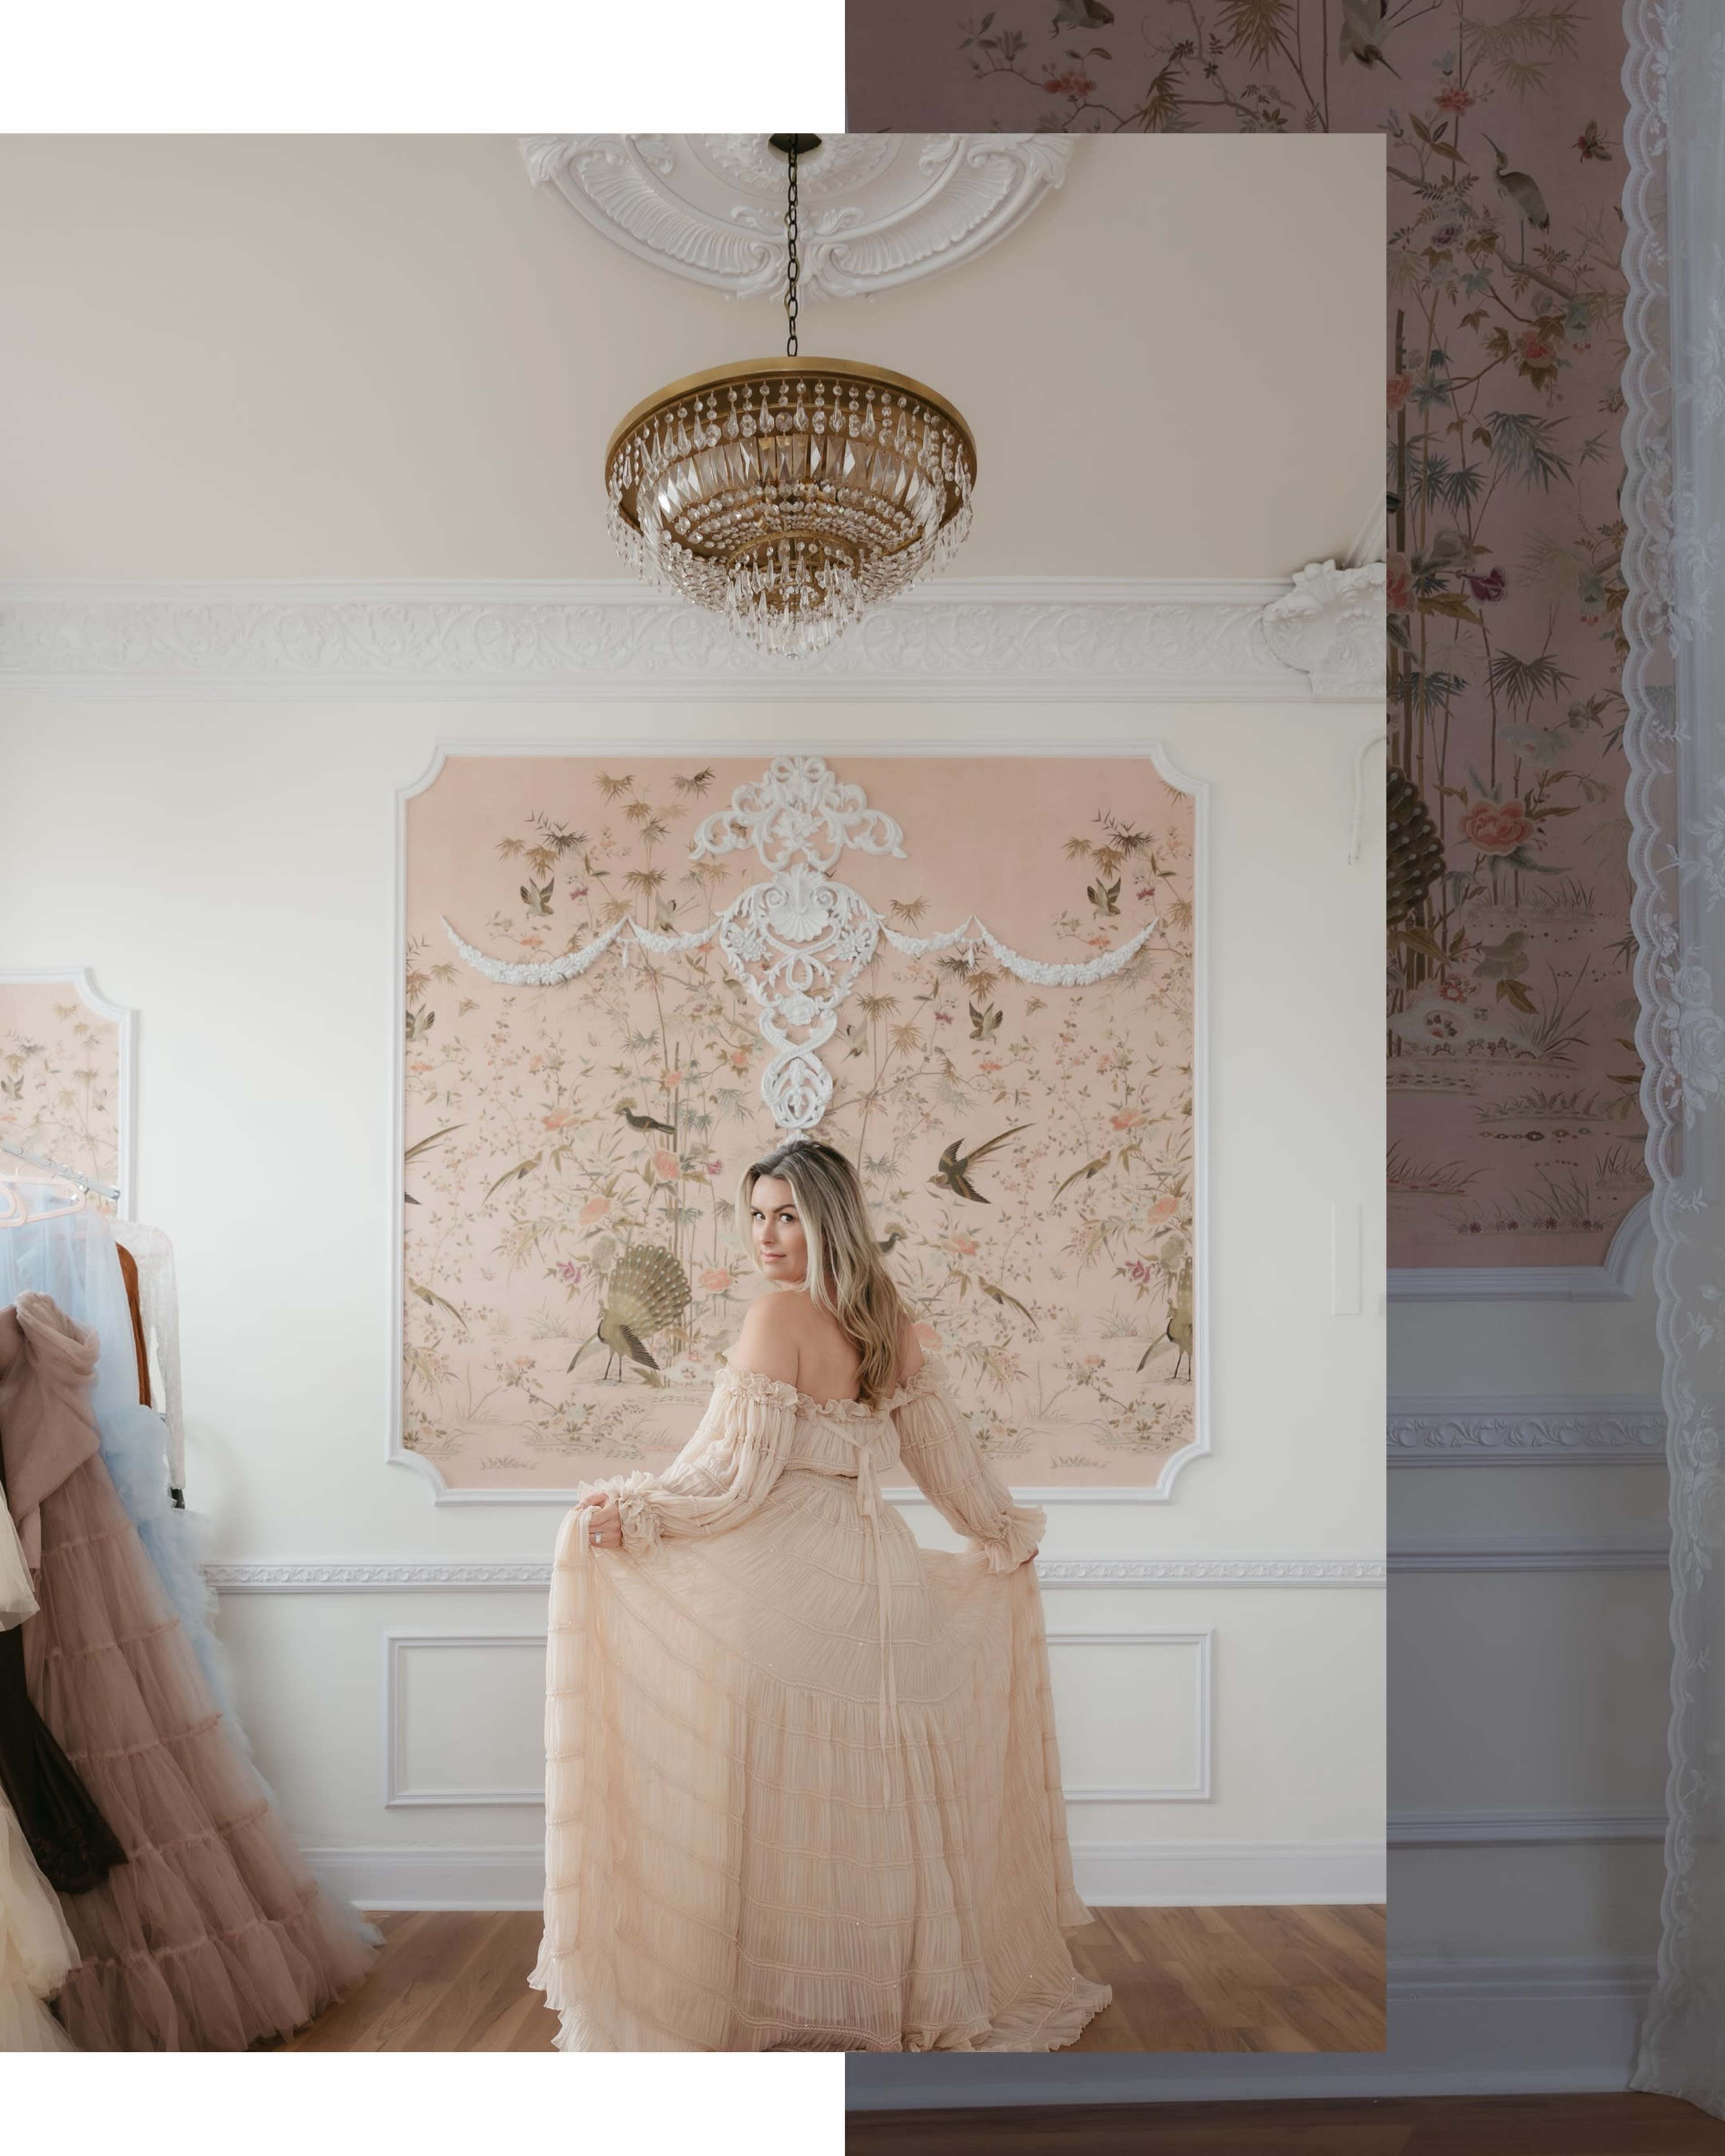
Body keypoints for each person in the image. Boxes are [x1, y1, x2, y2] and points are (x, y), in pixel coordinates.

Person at [529, 1135, 1111, 2053]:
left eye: (787, 1216)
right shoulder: (894, 1320)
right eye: (757, 1216)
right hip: (887, 1582)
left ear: (829, 1220)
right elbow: (951, 1467)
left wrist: (635, 1509)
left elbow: (734, 1477)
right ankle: (901, 1999)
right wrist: (1002, 1537)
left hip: (792, 1587)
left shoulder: (779, 1319)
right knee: (880, 1800)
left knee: (782, 1799)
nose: (766, 1237)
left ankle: (790, 2002)